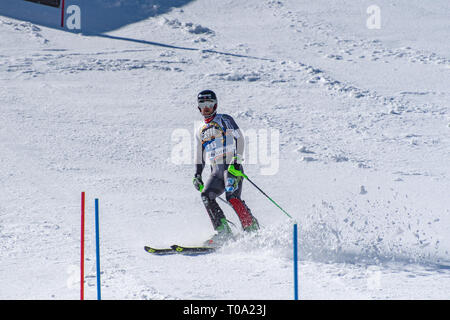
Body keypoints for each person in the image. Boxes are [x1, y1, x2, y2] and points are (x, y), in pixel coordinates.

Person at [192, 90, 259, 247]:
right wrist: (197, 174)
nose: (206, 107)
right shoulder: (200, 130)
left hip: (231, 166)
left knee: (232, 196)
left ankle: (251, 228)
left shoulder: (224, 119)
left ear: (215, 105)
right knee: (206, 196)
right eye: (203, 104)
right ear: (198, 108)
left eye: (209, 104)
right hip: (215, 170)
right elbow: (199, 155)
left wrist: (237, 161)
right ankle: (224, 232)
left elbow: (240, 138)